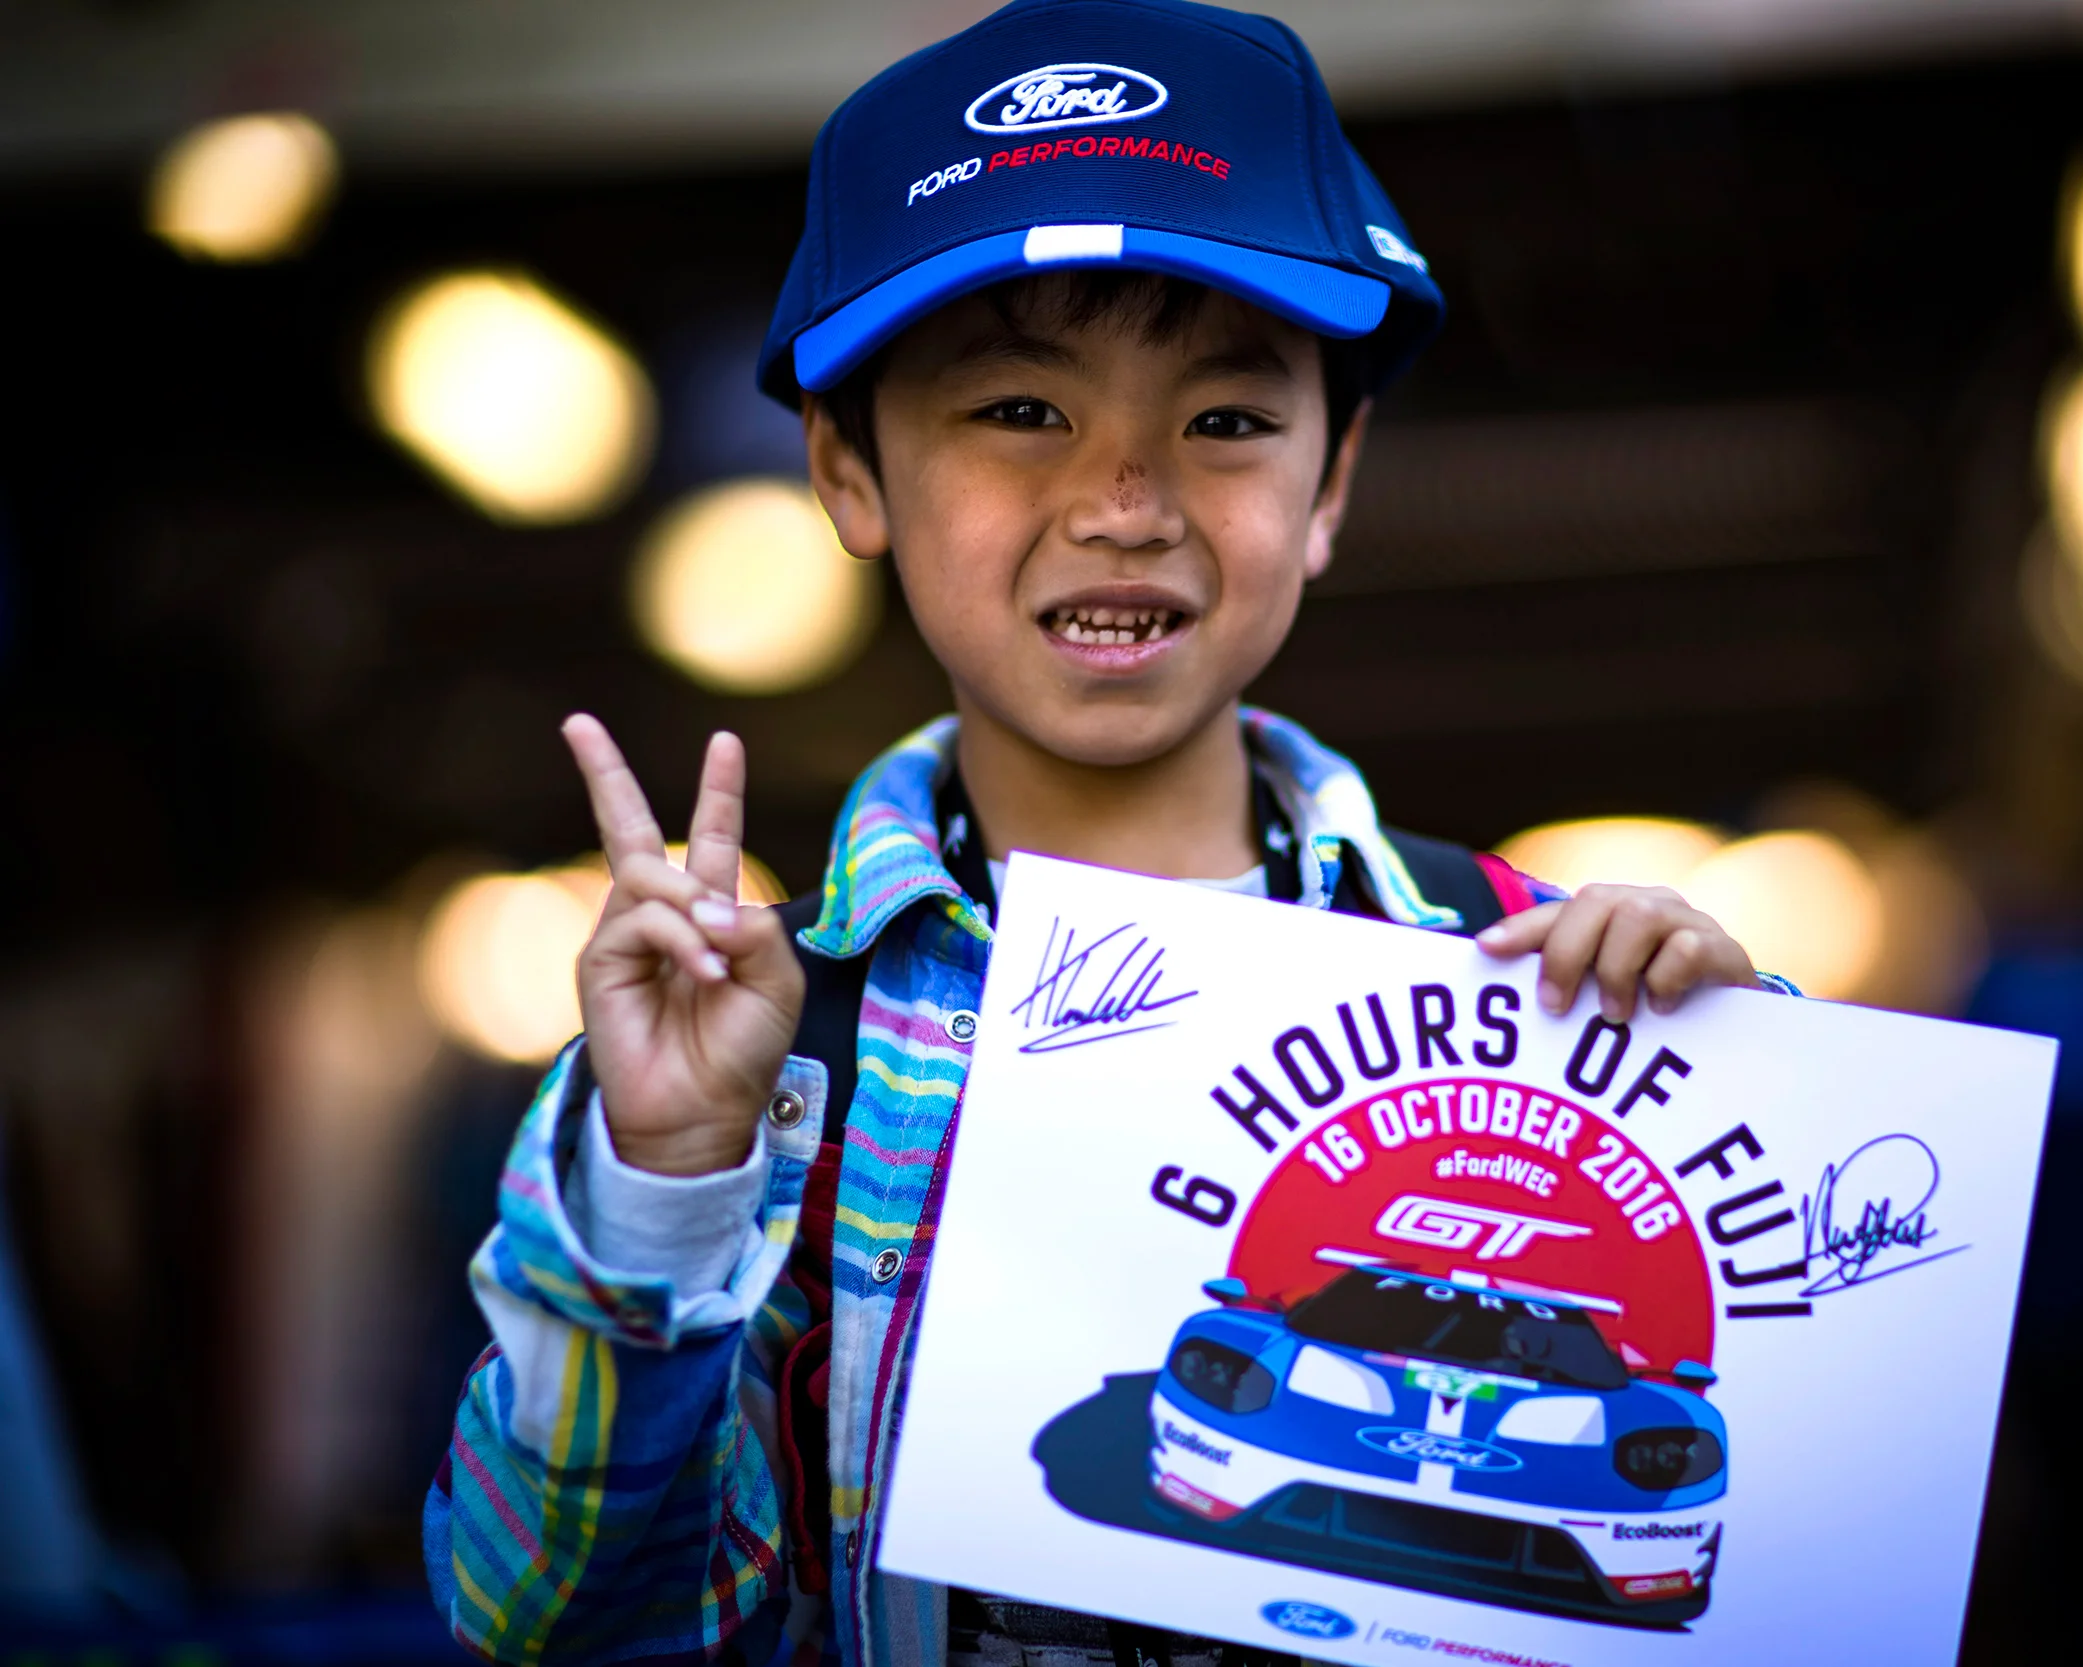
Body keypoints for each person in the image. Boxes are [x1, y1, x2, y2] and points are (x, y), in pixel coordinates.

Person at [425, 3, 1783, 1662]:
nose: (1125, 498)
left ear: (1333, 480)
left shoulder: (1545, 987)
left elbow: (1774, 1567)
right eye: (1018, 410)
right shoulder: (757, 1054)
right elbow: (546, 1625)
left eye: (1225, 421)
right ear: (850, 470)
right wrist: (664, 1189)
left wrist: (1733, 1073)